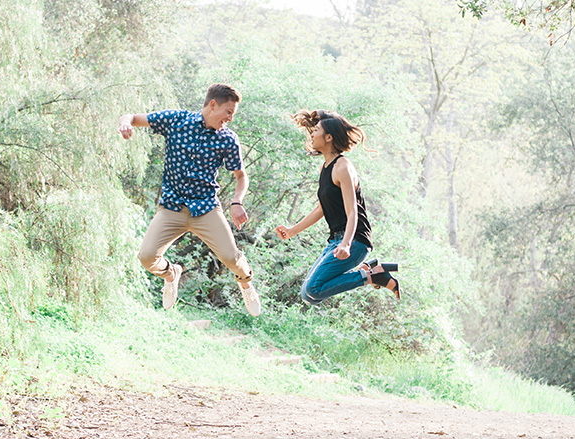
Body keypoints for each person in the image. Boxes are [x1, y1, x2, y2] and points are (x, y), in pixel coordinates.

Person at [118, 83, 261, 316]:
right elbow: (132, 117)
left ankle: (245, 282)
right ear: (213, 105)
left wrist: (237, 201)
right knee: (146, 257)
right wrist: (125, 122)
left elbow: (241, 176)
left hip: (206, 208)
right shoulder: (175, 120)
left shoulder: (228, 139)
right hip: (172, 207)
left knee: (231, 257)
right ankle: (171, 273)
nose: (230, 119)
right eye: (228, 112)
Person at [275, 109, 400, 304]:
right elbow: (321, 209)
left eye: (316, 130)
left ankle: (372, 276)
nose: (312, 134)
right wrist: (292, 231)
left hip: (355, 240)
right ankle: (371, 271)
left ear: (329, 137)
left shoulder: (343, 167)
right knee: (308, 295)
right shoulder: (326, 167)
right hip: (336, 240)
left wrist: (346, 243)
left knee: (313, 289)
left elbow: (352, 213)